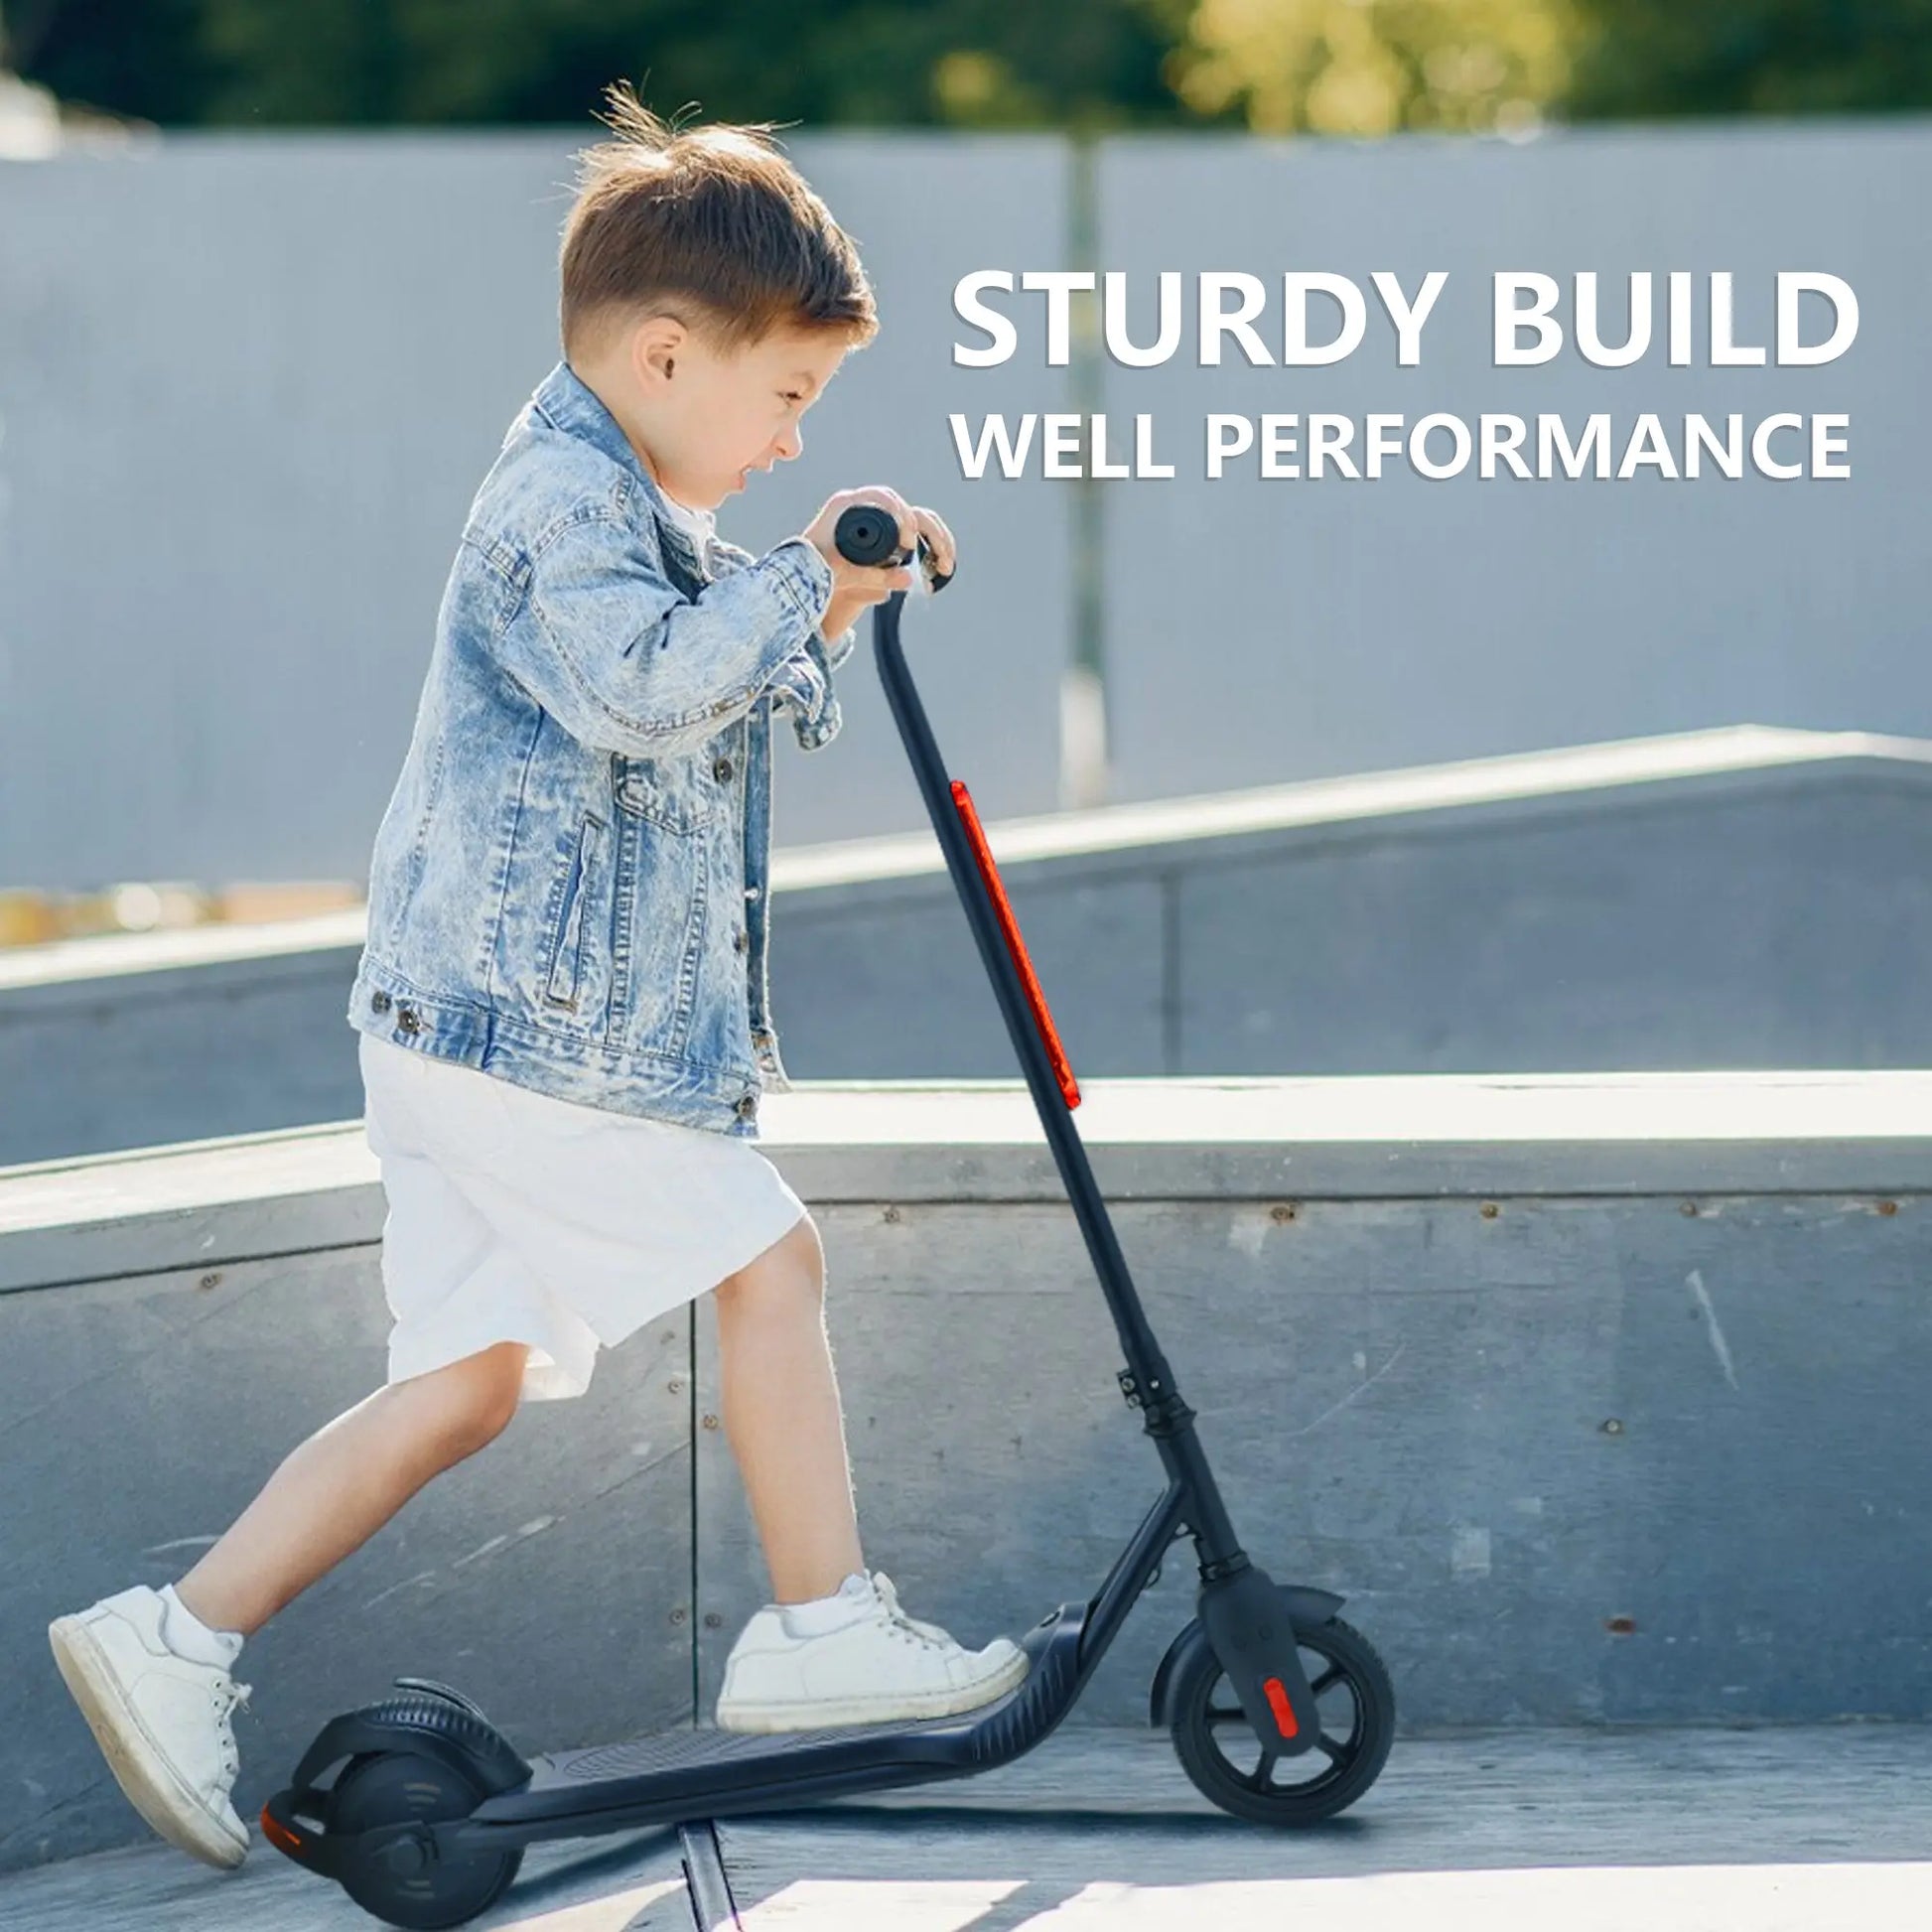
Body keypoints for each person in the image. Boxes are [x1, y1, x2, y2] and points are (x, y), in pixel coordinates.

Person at [47, 88, 1026, 1874]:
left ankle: (174, 1635)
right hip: (527, 1042)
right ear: (666, 353)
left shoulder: (624, 498)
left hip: (471, 1031)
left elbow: (701, 681)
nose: (798, 444)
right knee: (770, 1256)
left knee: (471, 1378)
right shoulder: (558, 505)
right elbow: (644, 689)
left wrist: (829, 596)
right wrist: (799, 574)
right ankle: (819, 1631)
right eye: (789, 397)